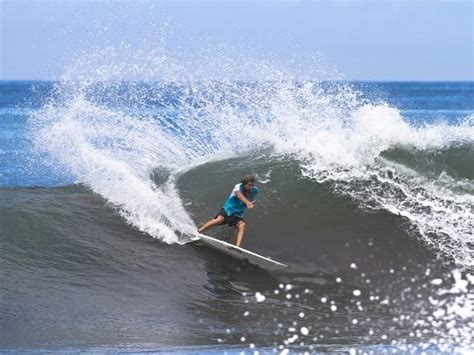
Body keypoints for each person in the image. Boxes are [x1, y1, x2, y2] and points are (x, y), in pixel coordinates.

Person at [197, 175, 259, 247]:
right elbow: (239, 196)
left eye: (252, 185)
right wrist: (247, 202)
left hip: (237, 214)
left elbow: (250, 199)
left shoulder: (255, 190)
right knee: (219, 220)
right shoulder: (238, 187)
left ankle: (237, 247)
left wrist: (251, 203)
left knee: (242, 225)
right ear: (244, 184)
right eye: (249, 185)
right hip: (227, 210)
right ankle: (199, 232)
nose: (251, 187)